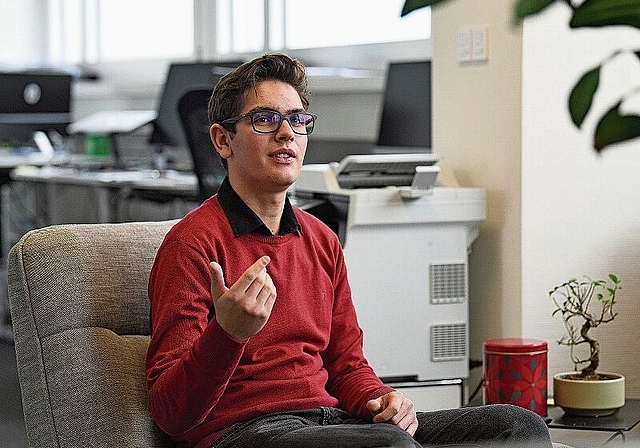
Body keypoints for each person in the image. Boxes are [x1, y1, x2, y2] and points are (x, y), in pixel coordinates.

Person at [145, 53, 554, 448]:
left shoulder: (322, 240)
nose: (286, 133)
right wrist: (227, 333)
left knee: (518, 426)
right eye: (265, 119)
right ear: (223, 140)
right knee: (388, 446)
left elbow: (347, 366)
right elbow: (170, 413)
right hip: (247, 433)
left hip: (332, 423)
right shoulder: (192, 245)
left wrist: (383, 400)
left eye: (297, 121)